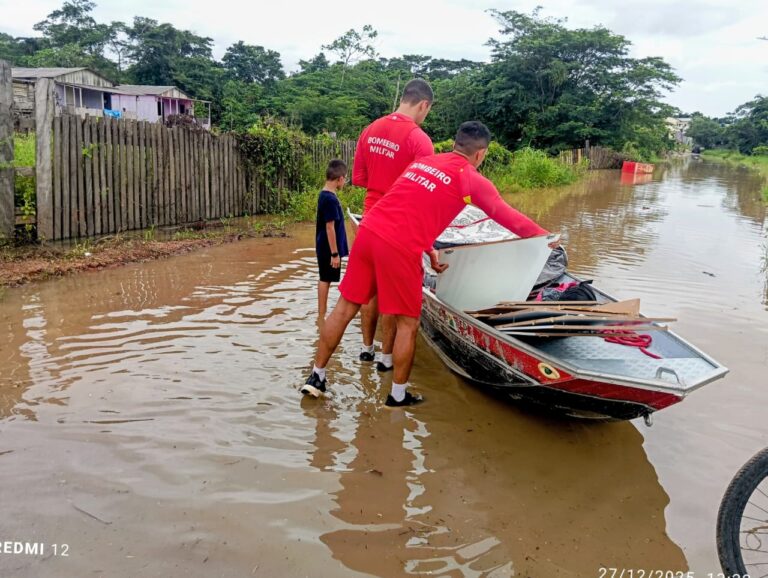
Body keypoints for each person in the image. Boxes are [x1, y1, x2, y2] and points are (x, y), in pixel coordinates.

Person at [301, 121, 558, 406]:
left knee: (343, 309)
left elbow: (406, 205)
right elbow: (504, 214)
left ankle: (316, 377)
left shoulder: (423, 163)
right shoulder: (470, 179)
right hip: (399, 247)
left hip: (369, 232)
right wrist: (545, 238)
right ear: (481, 153)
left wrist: (429, 248)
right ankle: (398, 395)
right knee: (408, 324)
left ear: (455, 144)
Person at [352, 79, 434, 372]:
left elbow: (359, 179)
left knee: (369, 292)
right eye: (427, 111)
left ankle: (366, 350)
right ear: (423, 104)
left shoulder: (370, 130)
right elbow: (425, 194)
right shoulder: (420, 140)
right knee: (392, 297)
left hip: (369, 221)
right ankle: (386, 359)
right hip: (398, 226)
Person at [315, 159, 349, 321]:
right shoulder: (330, 199)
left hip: (324, 245)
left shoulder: (325, 194)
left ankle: (321, 314)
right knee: (325, 279)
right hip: (329, 248)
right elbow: (330, 227)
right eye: (345, 179)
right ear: (340, 179)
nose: (345, 182)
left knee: (325, 278)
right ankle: (321, 316)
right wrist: (334, 254)